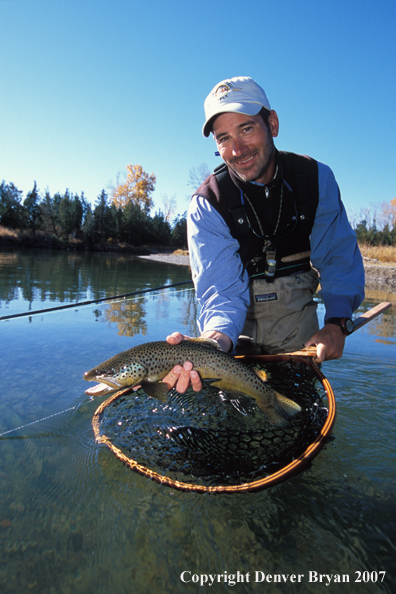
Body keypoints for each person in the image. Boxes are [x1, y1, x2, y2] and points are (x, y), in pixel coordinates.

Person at [162, 76, 364, 393]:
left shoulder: (317, 179)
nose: (237, 149)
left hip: (298, 322)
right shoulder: (207, 203)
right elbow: (221, 293)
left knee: (296, 409)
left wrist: (337, 323)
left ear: (272, 123)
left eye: (246, 129)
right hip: (234, 330)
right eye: (223, 138)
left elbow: (338, 260)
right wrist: (212, 344)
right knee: (235, 415)